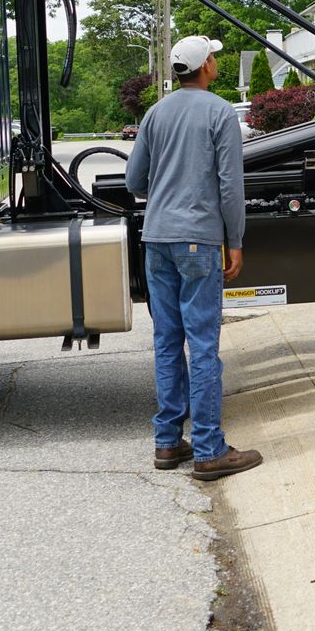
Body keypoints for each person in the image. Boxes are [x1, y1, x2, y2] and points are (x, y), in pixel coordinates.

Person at [124, 34, 263, 481]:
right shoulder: (220, 111)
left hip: (157, 238)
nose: (218, 61)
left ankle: (167, 443)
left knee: (167, 340)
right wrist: (234, 240)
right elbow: (230, 187)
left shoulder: (155, 112)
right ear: (204, 65)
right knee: (202, 343)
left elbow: (133, 180)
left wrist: (165, 194)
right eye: (215, 56)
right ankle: (208, 449)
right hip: (198, 241)